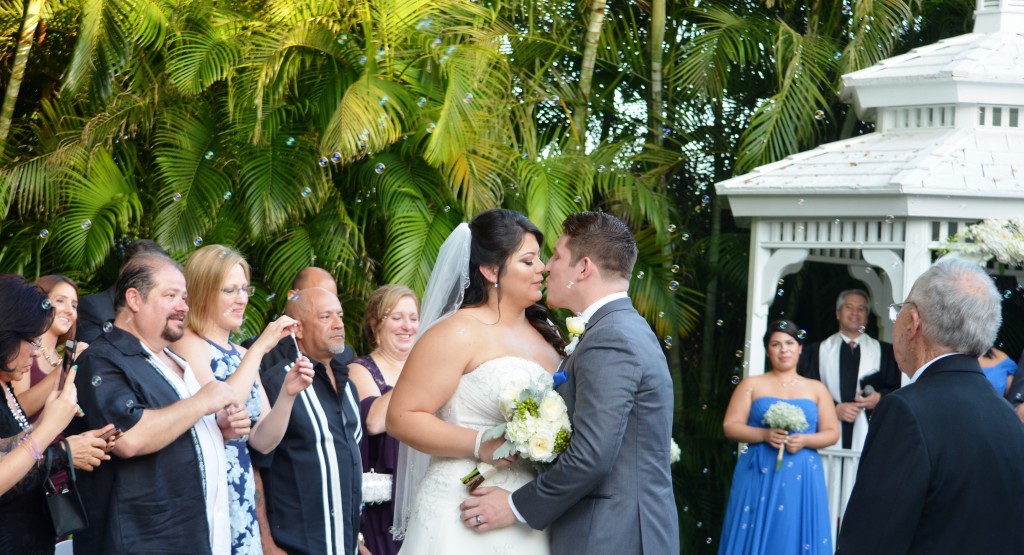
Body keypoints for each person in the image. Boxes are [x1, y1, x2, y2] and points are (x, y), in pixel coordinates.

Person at [457, 211, 679, 554]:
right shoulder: (620, 329)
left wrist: (515, 506)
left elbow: (592, 456)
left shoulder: (612, 339)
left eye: (557, 256)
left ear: (584, 268)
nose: (546, 267)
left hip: (611, 533)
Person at [386, 208, 561, 552]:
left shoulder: (549, 336)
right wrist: (480, 442)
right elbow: (401, 417)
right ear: (490, 270)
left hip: (526, 510)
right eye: (528, 261)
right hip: (464, 502)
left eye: (540, 260)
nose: (543, 269)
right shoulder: (458, 331)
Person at [836, 259, 1024, 554]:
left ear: (913, 322)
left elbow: (869, 542)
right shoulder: (1009, 419)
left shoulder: (904, 411)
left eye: (897, 312)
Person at [70, 253, 243, 554]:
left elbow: (175, 425)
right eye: (171, 296)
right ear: (134, 300)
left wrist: (217, 429)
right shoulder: (101, 359)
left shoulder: (175, 360)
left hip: (197, 537)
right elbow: (129, 437)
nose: (183, 307)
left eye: (185, 297)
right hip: (142, 543)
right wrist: (202, 403)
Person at [172, 245, 315, 555]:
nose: (242, 299)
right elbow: (223, 402)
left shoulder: (240, 355)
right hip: (206, 492)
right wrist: (261, 347)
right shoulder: (189, 343)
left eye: (244, 288)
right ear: (202, 292)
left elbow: (263, 441)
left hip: (241, 493)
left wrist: (288, 395)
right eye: (230, 290)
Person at [0, 275, 111, 553]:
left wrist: (69, 435)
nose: (35, 352)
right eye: (30, 340)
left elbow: (6, 450)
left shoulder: (5, 387)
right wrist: (56, 438)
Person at [251, 287, 363, 555]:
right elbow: (256, 464)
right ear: (297, 330)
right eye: (326, 317)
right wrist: (266, 544)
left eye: (340, 315)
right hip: (298, 545)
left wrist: (358, 541)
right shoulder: (278, 382)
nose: (338, 324)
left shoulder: (349, 386)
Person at [718, 319, 839, 554]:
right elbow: (730, 426)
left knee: (793, 530)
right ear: (767, 350)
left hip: (802, 472)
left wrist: (804, 440)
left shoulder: (816, 388)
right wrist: (764, 434)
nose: (783, 349)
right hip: (759, 469)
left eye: (790, 343)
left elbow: (832, 432)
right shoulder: (751, 384)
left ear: (800, 348)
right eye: (776, 344)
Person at [348, 285, 419, 555]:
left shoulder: (429, 371)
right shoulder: (359, 369)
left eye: (413, 318)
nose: (407, 326)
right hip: (382, 508)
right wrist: (416, 367)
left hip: (424, 497)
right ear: (376, 323)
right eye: (397, 317)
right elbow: (375, 421)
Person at [797, 289, 901, 451]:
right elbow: (803, 391)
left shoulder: (886, 353)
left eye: (861, 309)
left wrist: (880, 398)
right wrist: (832, 410)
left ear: (867, 317)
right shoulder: (815, 352)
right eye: (849, 307)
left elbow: (899, 388)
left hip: (871, 435)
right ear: (838, 314)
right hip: (826, 435)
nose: (855, 313)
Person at [12, 276, 89, 422]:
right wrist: (63, 368)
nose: (69, 311)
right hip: (27, 443)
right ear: (39, 303)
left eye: (74, 305)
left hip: (60, 443)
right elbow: (16, 410)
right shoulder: (21, 348)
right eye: (60, 300)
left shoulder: (63, 358)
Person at [76, 239, 167, 343]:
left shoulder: (161, 312)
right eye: (143, 271)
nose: (149, 278)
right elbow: (94, 355)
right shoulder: (92, 307)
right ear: (123, 269)